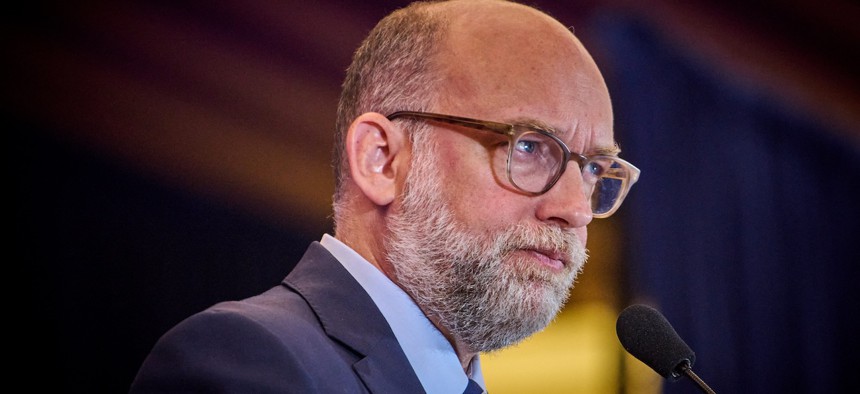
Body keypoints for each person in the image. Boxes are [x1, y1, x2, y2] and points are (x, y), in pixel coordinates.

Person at [129, 0, 640, 392]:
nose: (575, 209)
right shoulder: (247, 362)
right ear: (382, 160)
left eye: (594, 168)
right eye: (529, 146)